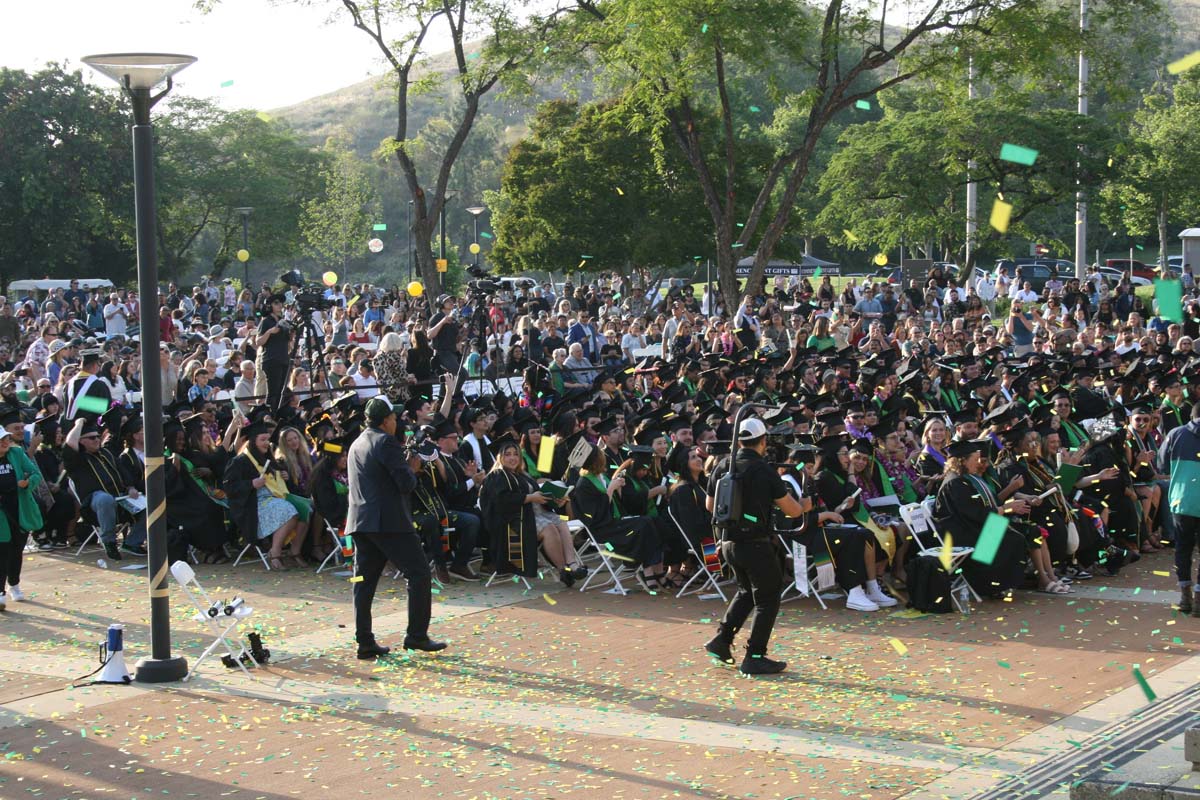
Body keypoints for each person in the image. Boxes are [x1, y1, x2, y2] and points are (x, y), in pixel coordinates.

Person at [346, 397, 445, 658]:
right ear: (386, 420)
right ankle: (416, 635)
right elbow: (405, 483)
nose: (397, 422)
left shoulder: (357, 442)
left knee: (363, 583)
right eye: (394, 418)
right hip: (389, 522)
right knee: (420, 573)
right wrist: (413, 467)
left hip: (361, 521)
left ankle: (364, 641)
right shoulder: (385, 441)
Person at [704, 418, 803, 676]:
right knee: (768, 598)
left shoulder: (723, 464)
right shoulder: (762, 469)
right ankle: (755, 655)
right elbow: (792, 510)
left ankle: (721, 640)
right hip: (755, 544)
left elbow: (709, 505)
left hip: (728, 543)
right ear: (763, 442)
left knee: (746, 592)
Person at [1159, 399, 1200, 616]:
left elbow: (1161, 464)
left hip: (1181, 500)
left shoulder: (1175, 433)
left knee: (1183, 548)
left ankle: (1185, 595)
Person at [0, 428, 43, 608]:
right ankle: (0, 591)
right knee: (2, 550)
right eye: (1, 439)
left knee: (17, 548)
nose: (4, 442)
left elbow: (35, 474)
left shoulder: (16, 453)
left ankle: (14, 584)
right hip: (1, 513)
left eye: (5, 438)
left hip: (20, 509)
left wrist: (27, 483)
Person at [256, 294, 290, 410]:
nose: (279, 305)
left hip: (284, 359)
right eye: (276, 303)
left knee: (282, 391)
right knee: (273, 391)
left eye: (280, 303)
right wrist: (270, 332)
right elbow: (258, 342)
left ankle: (280, 412)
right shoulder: (266, 321)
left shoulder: (282, 321)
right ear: (270, 306)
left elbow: (288, 341)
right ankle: (270, 413)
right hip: (271, 359)